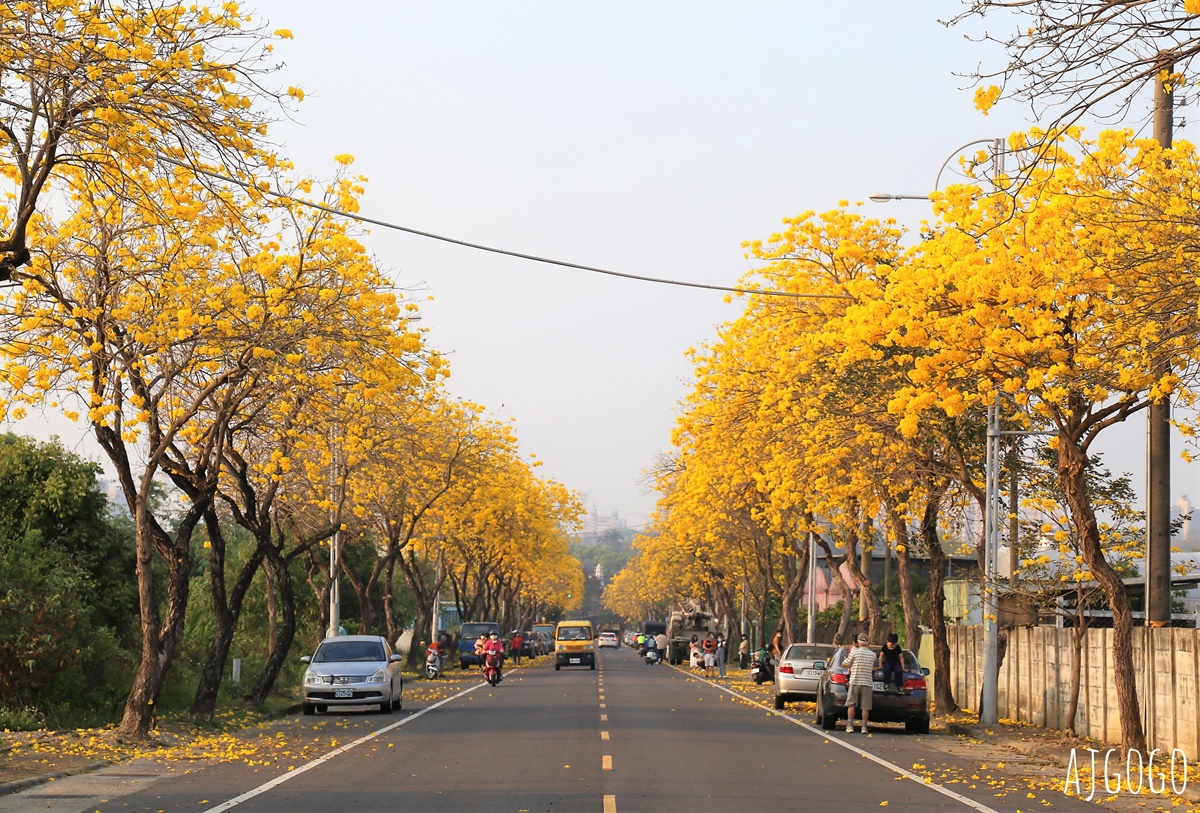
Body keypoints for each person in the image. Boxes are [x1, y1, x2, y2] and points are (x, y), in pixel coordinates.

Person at [844, 633, 876, 734]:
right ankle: (864, 727)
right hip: (867, 682)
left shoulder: (854, 653)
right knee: (865, 707)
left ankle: (850, 726)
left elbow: (846, 663)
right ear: (868, 642)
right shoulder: (873, 655)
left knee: (851, 704)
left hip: (855, 681)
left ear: (858, 642)